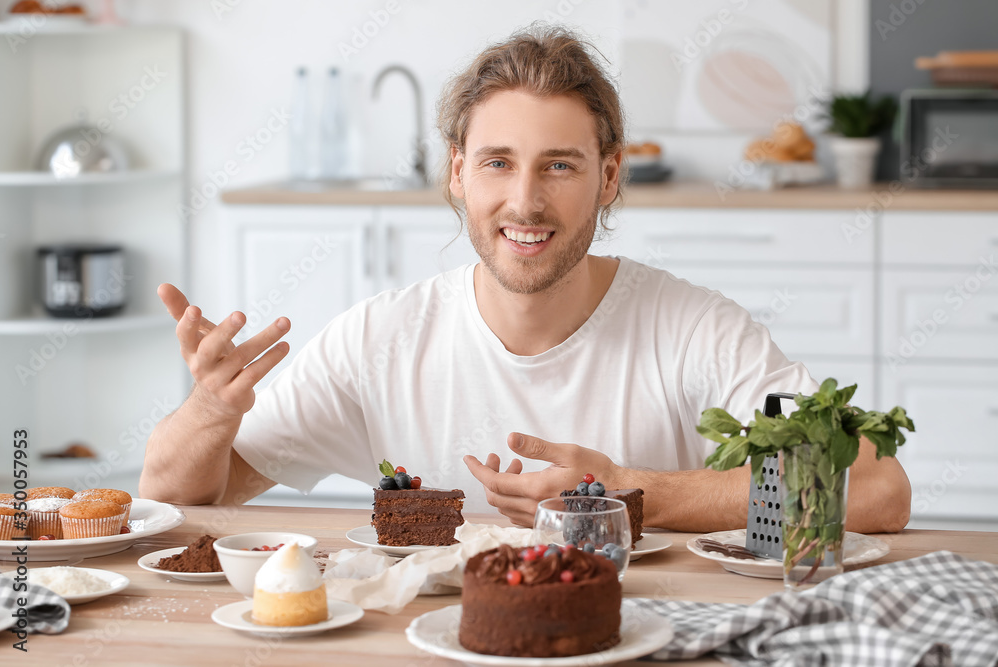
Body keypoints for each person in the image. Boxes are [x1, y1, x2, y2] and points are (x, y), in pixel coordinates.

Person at [140, 26, 911, 533]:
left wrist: (627, 493)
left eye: (560, 166)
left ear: (610, 177)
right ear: (456, 174)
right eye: (498, 162)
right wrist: (209, 409)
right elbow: (175, 495)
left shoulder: (692, 328)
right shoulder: (380, 339)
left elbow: (879, 488)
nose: (525, 201)